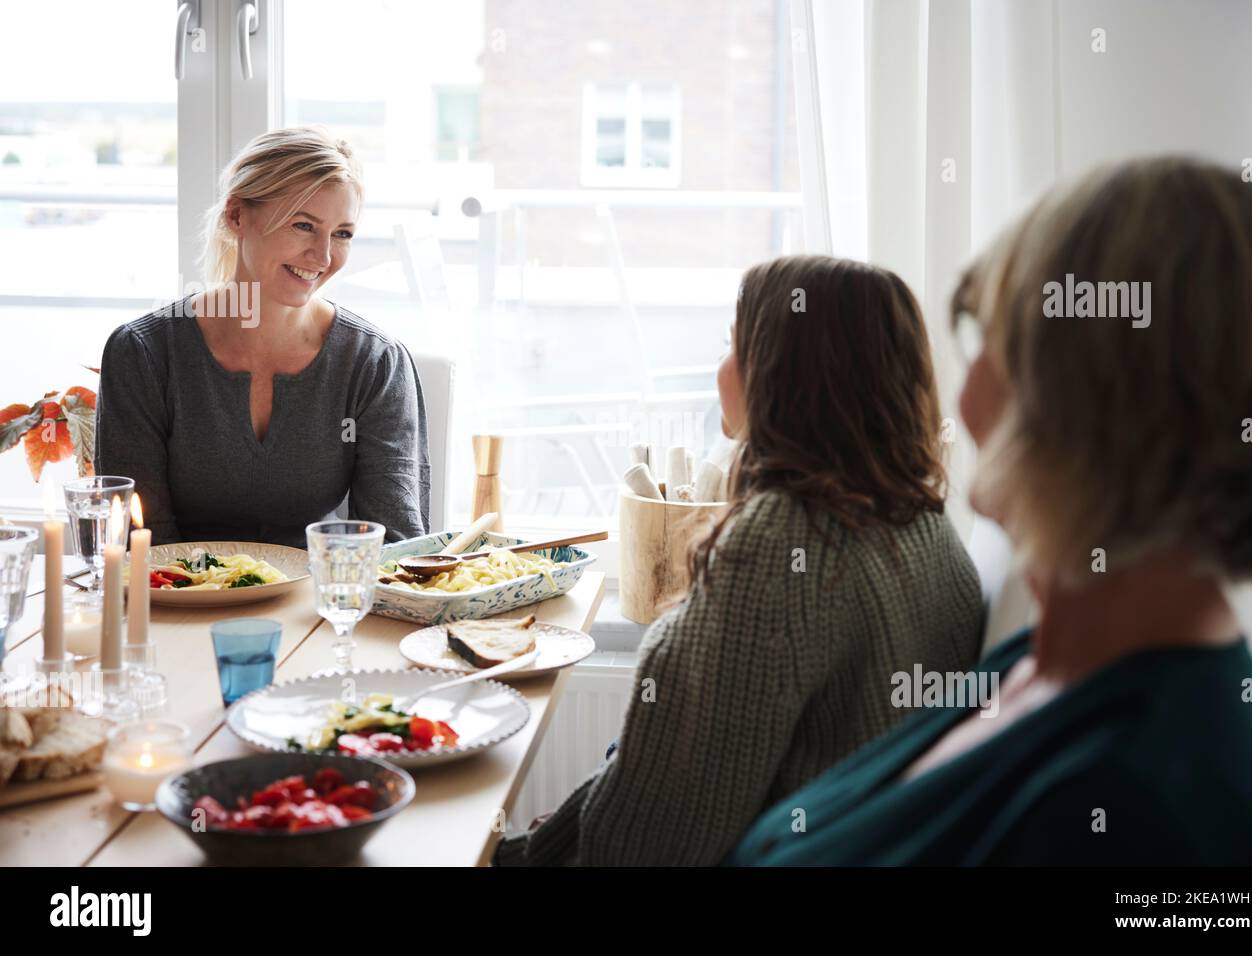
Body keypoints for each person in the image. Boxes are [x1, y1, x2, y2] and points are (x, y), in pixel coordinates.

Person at [734, 158, 1252, 865]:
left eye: (986, 335)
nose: (961, 388)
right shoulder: (1041, 659)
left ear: (1085, 398)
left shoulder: (1140, 812)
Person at [495, 255, 983, 866]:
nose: (720, 367)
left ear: (785, 372)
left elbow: (653, 841)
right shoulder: (923, 521)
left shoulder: (783, 543)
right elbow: (662, 775)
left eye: (733, 344)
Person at [95, 126, 431, 546]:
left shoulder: (374, 363)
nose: (324, 256)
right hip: (176, 602)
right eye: (303, 225)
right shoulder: (143, 354)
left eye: (342, 233)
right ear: (236, 216)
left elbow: (396, 549)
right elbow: (138, 543)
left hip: (318, 604)